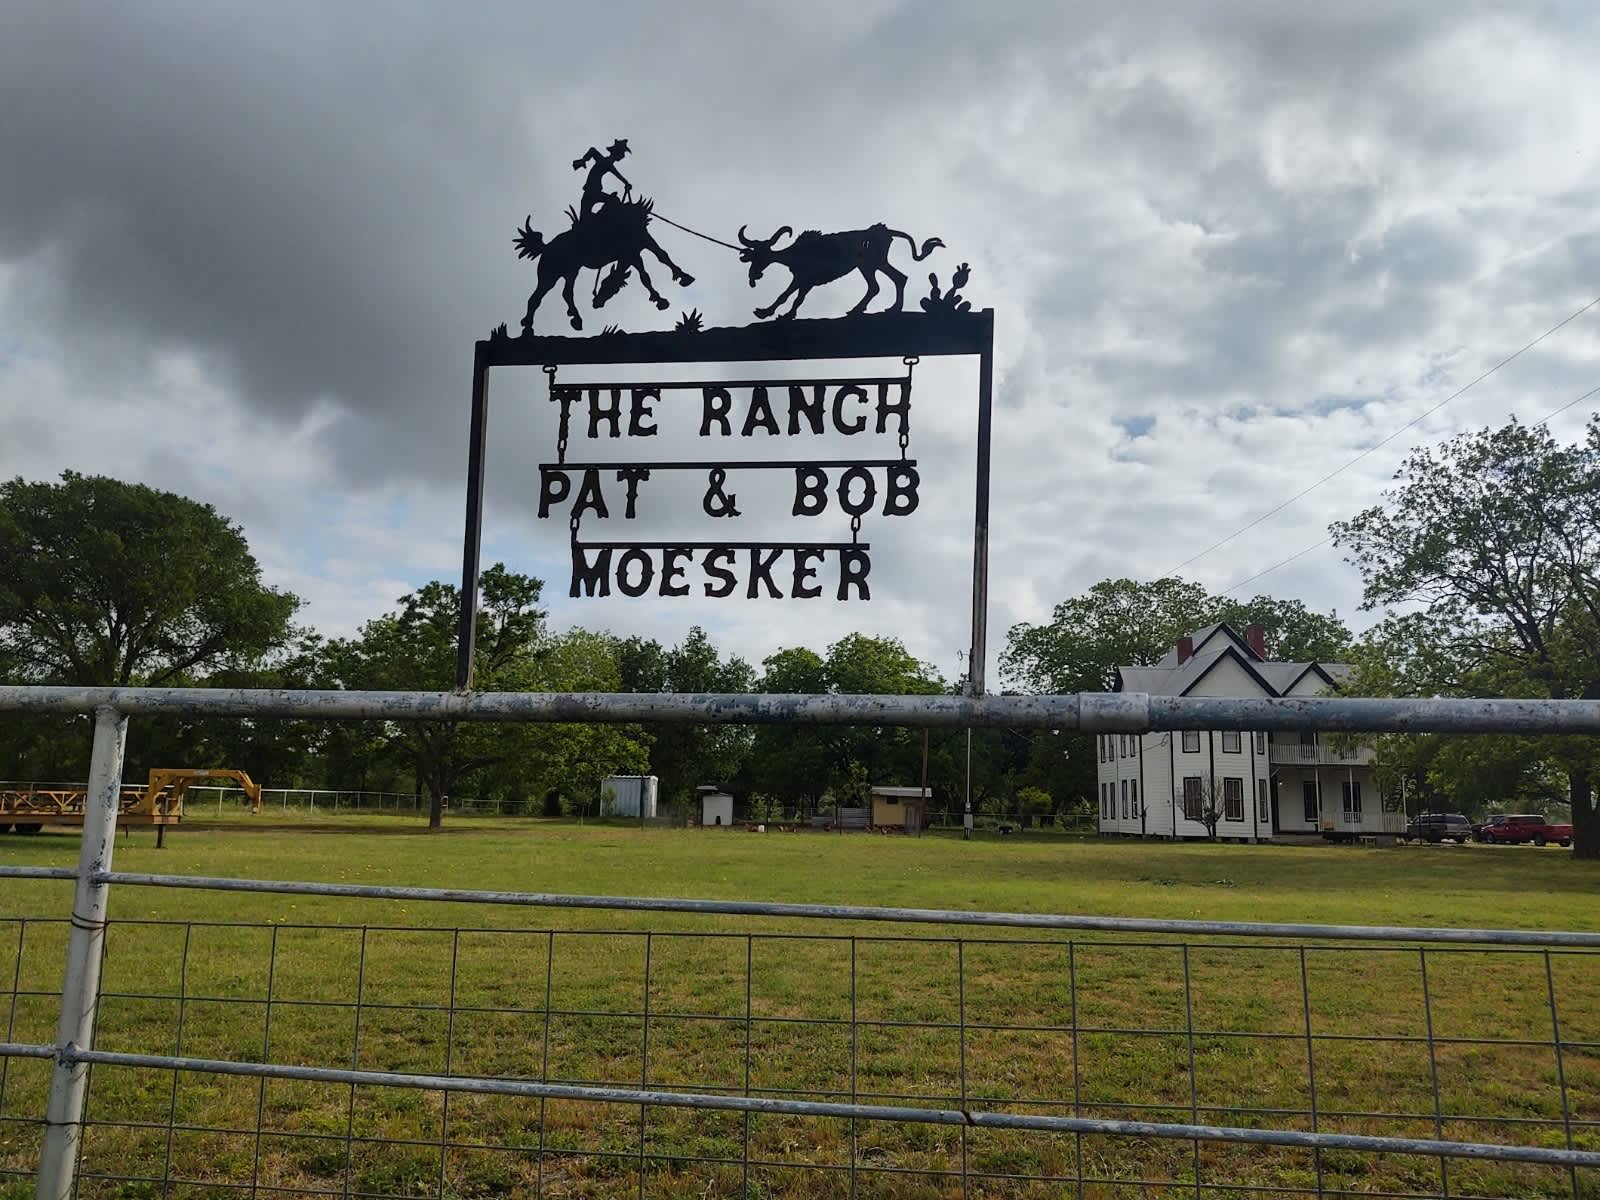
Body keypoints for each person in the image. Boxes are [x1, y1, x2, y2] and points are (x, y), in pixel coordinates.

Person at [572, 138, 633, 221]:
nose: (618, 157)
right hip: (592, 192)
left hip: (592, 191)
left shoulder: (606, 162)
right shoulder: (605, 162)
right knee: (614, 201)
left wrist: (626, 183)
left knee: (614, 201)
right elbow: (592, 150)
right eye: (619, 154)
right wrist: (583, 160)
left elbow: (592, 151)